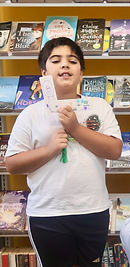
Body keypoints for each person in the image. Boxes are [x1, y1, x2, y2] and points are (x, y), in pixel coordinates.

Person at [5, 37, 123, 267]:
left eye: (73, 61)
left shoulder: (99, 106)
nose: (65, 65)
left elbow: (114, 150)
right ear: (44, 73)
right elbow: (12, 164)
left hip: (93, 210)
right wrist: (49, 150)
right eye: (56, 60)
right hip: (47, 214)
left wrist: (75, 129)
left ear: (81, 74)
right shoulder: (30, 114)